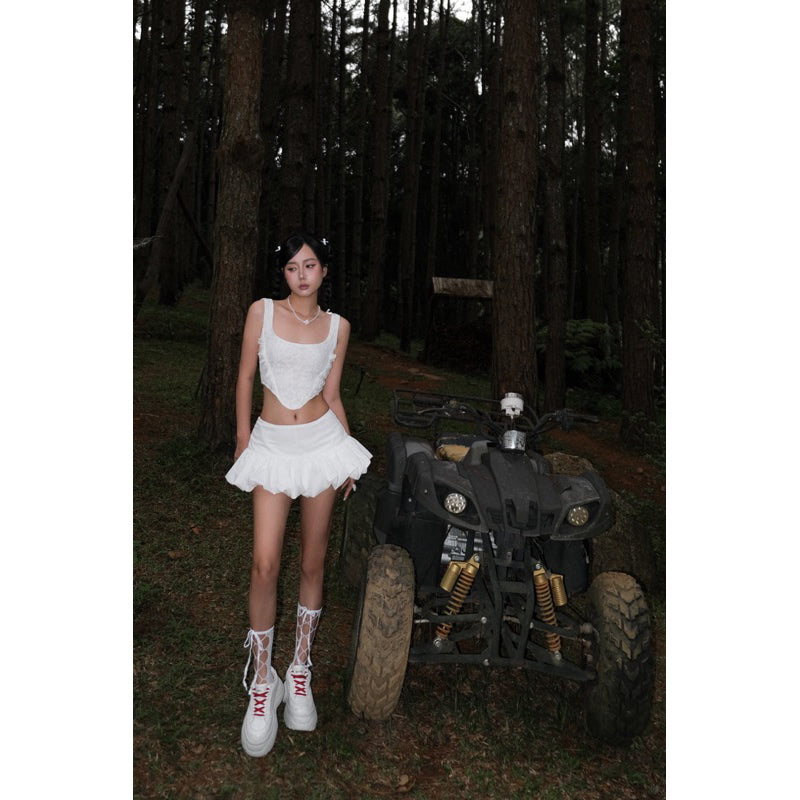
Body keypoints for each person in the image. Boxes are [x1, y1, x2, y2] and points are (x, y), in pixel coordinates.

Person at [225, 232, 372, 757]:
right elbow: (245, 378)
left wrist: (346, 453)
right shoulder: (261, 312)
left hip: (321, 445)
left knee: (313, 561)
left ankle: (299, 668)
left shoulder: (339, 327)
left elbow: (331, 394)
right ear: (283, 273)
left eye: (310, 265)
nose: (302, 274)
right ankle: (263, 680)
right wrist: (243, 439)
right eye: (292, 267)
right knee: (265, 563)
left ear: (324, 271)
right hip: (272, 445)